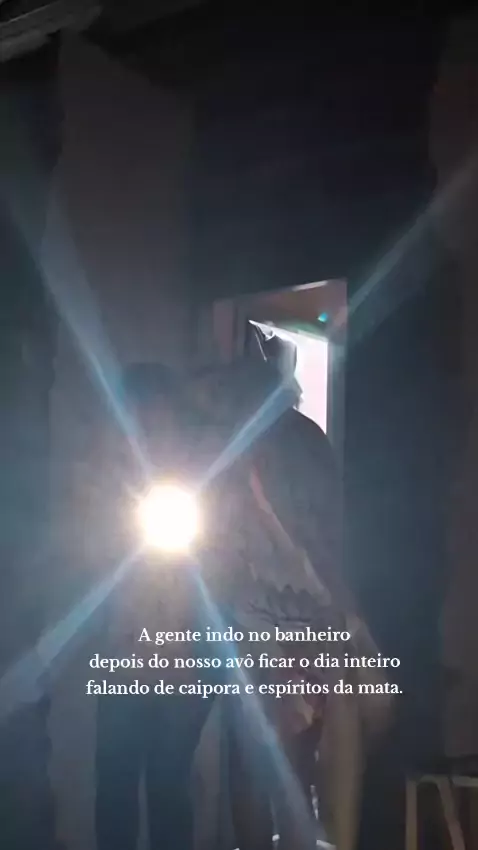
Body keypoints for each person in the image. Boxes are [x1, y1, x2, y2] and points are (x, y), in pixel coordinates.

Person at [94, 363, 215, 850]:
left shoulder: (199, 487)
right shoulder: (108, 487)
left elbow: (210, 577)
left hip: (181, 658)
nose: (148, 431)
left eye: (158, 419)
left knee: (168, 784)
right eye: (138, 419)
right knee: (116, 784)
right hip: (122, 654)